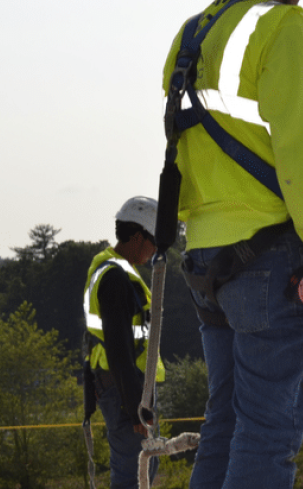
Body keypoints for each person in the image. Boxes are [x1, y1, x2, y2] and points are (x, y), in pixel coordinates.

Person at [161, 0, 303, 488]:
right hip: (269, 259)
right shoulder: (283, 25)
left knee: (225, 424)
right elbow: (300, 157)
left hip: (206, 258)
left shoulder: (193, 33)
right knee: (268, 433)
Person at [82, 196, 167, 489]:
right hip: (125, 394)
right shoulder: (115, 278)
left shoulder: (112, 270)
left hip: (122, 389)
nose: (156, 249)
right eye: (153, 240)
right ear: (137, 236)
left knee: (144, 464)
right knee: (133, 473)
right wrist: (135, 409)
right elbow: (118, 350)